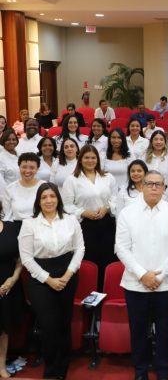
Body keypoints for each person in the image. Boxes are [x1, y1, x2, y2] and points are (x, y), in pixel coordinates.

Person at [115, 170, 168, 380]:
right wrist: (142, 275)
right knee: (138, 332)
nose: (154, 187)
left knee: (165, 332)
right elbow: (122, 248)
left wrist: (160, 276)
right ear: (142, 186)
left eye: (158, 184)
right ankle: (140, 371)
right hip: (135, 285)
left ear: (164, 188)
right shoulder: (128, 213)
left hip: (167, 285)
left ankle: (163, 371)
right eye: (150, 184)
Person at [18, 182, 85, 380]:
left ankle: (63, 367)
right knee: (49, 324)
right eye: (44, 197)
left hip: (67, 274)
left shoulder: (71, 220)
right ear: (38, 201)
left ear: (58, 198)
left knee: (64, 323)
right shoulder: (29, 223)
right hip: (40, 278)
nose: (49, 200)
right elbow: (27, 258)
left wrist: (67, 275)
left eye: (52, 196)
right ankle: (51, 370)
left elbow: (79, 249)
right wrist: (48, 280)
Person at [62, 145, 116, 287]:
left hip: (107, 224)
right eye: (86, 157)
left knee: (107, 259)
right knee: (89, 261)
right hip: (85, 226)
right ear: (80, 160)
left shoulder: (108, 177)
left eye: (93, 158)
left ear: (98, 160)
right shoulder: (72, 180)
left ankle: (105, 291)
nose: (90, 160)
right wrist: (83, 212)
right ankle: (89, 294)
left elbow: (116, 198)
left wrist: (106, 207)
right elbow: (66, 205)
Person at [0, 200, 24, 379]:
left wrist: (13, 278)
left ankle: (1, 366)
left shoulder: (10, 228)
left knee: (3, 329)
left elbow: (20, 258)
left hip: (7, 286)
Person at [3, 153, 44, 227]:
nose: (27, 171)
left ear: (37, 169)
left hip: (39, 226)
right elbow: (7, 216)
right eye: (24, 167)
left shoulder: (44, 186)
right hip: (16, 227)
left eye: (32, 168)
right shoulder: (10, 188)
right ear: (19, 167)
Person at [142, 130, 168, 201]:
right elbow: (140, 177)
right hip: (145, 195)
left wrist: (164, 198)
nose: (158, 142)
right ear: (151, 142)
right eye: (155, 139)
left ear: (165, 142)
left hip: (165, 196)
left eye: (161, 139)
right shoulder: (144, 156)